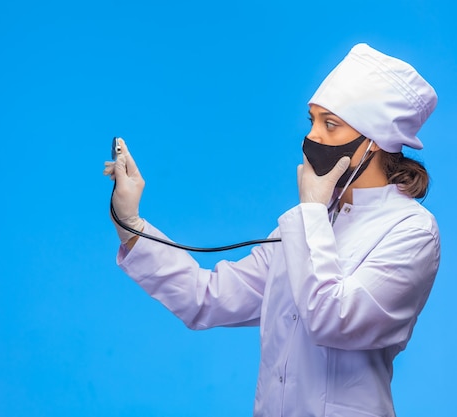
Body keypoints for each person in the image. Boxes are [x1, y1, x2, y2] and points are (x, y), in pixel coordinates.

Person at [103, 43, 440, 417]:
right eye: (311, 120)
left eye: (330, 124)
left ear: (375, 140)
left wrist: (311, 212)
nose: (312, 137)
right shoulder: (308, 223)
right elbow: (206, 298)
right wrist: (130, 222)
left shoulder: (412, 231)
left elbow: (332, 320)